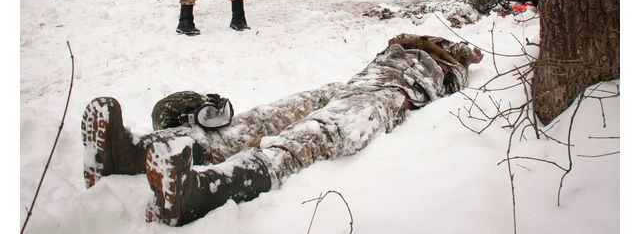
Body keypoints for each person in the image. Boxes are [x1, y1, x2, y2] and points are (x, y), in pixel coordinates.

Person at [81, 34, 483, 226]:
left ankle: (207, 190)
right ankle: (134, 153)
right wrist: (414, 41)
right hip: (350, 84)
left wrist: (452, 52)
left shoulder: (453, 66)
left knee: (314, 134)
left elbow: (470, 55)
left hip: (391, 94)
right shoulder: (407, 43)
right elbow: (398, 39)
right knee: (263, 118)